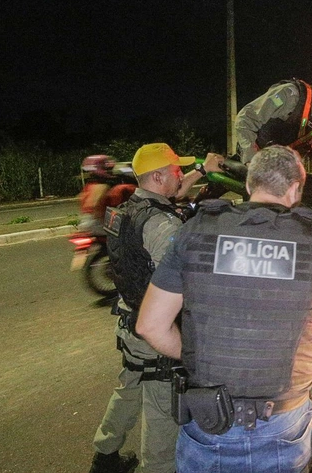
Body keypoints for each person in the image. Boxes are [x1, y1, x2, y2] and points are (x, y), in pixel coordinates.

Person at [136, 145, 312, 472]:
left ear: (248, 186)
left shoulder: (195, 230)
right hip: (283, 424)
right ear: (294, 189)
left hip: (207, 422)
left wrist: (202, 355)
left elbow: (149, 326)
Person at [89, 143, 224, 473]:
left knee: (128, 389)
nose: (180, 176)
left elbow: (172, 196)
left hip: (128, 319)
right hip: (155, 331)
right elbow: (189, 277)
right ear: (159, 176)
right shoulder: (163, 226)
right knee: (162, 413)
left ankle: (104, 456)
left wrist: (202, 171)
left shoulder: (129, 207)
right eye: (177, 171)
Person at [234, 72, 312, 170]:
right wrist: (251, 160)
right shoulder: (289, 95)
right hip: (255, 159)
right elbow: (245, 119)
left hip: (279, 168)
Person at [79, 155, 135, 234]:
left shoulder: (90, 186)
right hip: (97, 224)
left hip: (86, 223)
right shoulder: (103, 186)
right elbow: (95, 206)